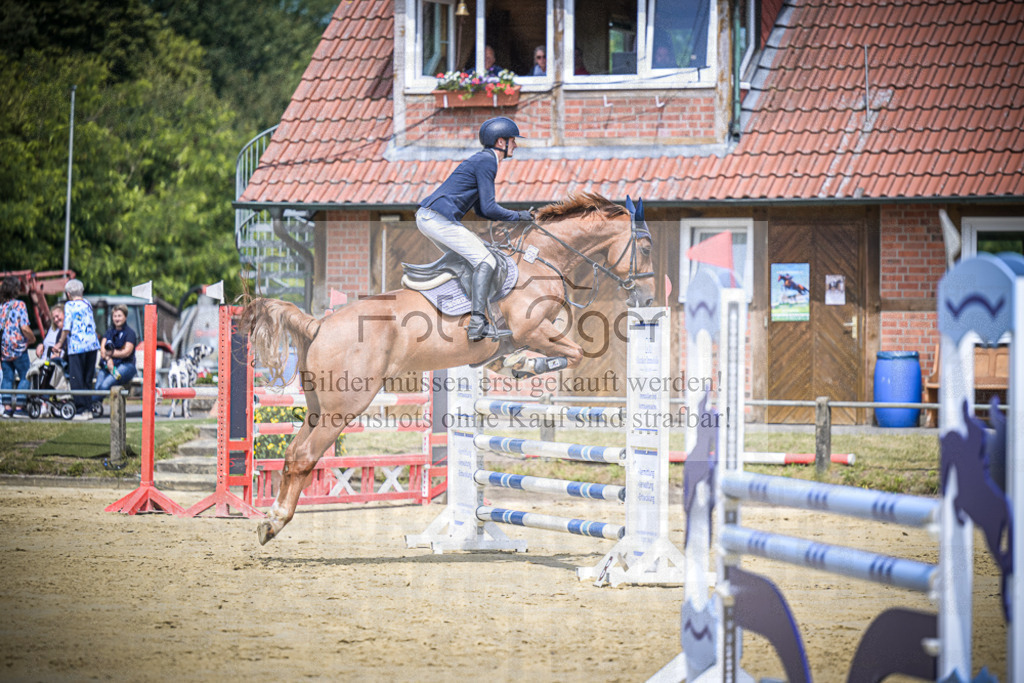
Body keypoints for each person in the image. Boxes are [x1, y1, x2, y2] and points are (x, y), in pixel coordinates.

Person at [416, 116, 532, 342]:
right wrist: (519, 216)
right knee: (486, 261)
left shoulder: (484, 160)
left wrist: (511, 219)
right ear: (501, 142)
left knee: (473, 259)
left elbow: (482, 210)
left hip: (431, 218)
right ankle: (477, 322)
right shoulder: (487, 161)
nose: (516, 145)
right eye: (512, 140)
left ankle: (468, 312)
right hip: (437, 219)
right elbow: (489, 206)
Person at [52, 278, 100, 420]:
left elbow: (66, 327)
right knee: (87, 378)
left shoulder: (69, 305)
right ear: (82, 291)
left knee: (76, 379)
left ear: (68, 294)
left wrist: (60, 344)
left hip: (77, 346)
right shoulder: (87, 303)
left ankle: (80, 409)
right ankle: (88, 408)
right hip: (92, 345)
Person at [1, 275, 35, 418]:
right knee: (25, 375)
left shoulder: (1, 307)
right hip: (19, 348)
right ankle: (20, 408)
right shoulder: (20, 305)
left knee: (7, 378)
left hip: (4, 349)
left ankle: (7, 408)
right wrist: (33, 339)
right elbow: (25, 328)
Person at [95, 304, 137, 397]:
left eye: (119, 316)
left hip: (126, 366)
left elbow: (126, 352)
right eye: (115, 316)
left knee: (105, 385)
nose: (117, 319)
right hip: (107, 365)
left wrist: (110, 354)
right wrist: (108, 359)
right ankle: (94, 408)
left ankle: (92, 406)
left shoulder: (130, 333)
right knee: (97, 387)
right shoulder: (109, 332)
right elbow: (102, 350)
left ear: (125, 317)